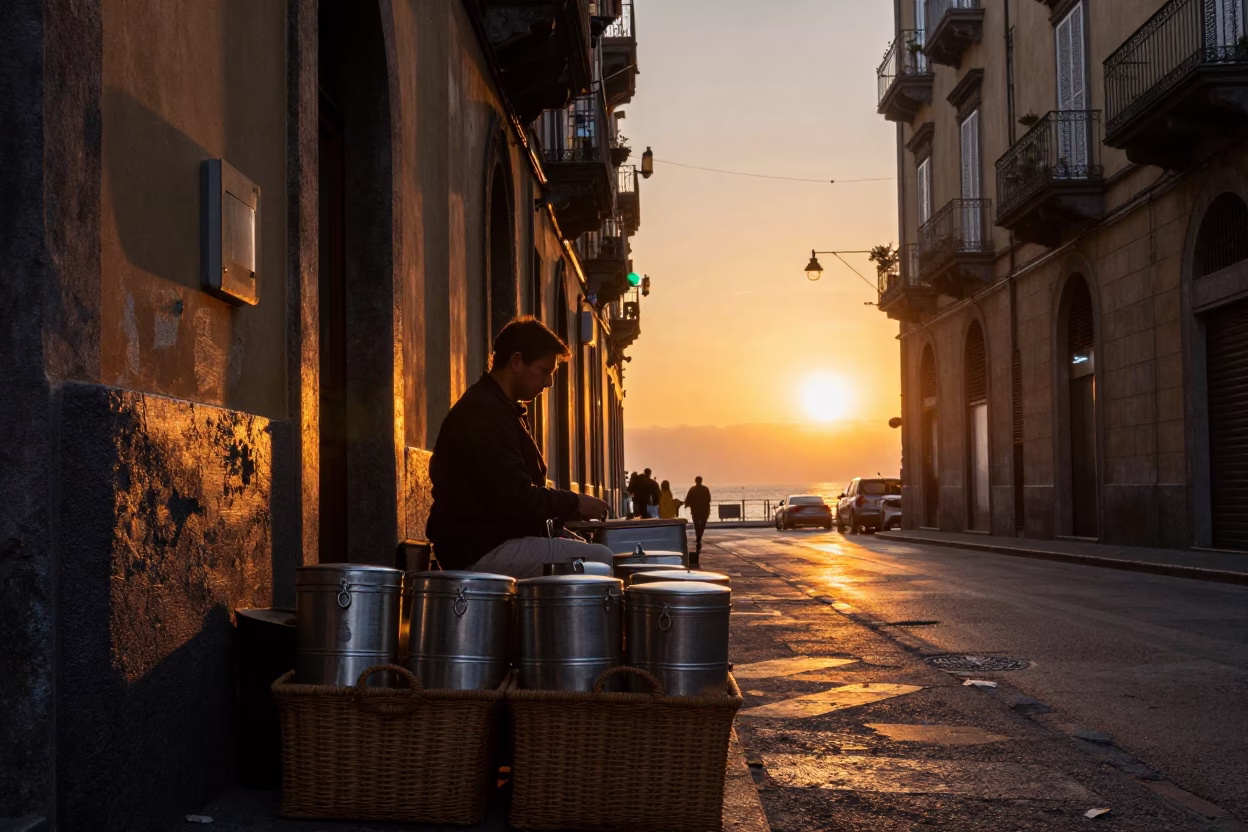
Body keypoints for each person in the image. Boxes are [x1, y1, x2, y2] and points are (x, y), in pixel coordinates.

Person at [426, 316, 613, 578]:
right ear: (516, 363)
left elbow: (513, 496)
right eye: (544, 371)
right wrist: (576, 502)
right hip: (479, 550)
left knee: (585, 549)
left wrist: (557, 526)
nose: (548, 382)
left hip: (490, 541)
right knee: (601, 559)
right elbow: (517, 500)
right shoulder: (484, 413)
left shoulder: (499, 408)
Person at [684, 476, 712, 554]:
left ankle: (698, 536)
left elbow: (688, 498)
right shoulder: (705, 489)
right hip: (704, 510)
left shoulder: (692, 489)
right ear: (701, 481)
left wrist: (686, 505)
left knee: (696, 524)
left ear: (695, 481)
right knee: (703, 524)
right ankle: (700, 535)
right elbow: (709, 499)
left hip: (695, 510)